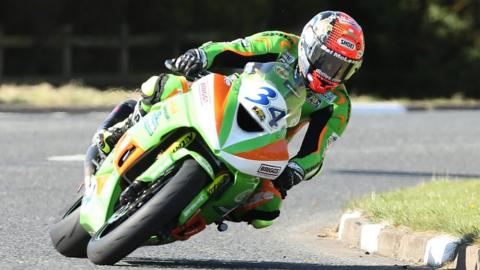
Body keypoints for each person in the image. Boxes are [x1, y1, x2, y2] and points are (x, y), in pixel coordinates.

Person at [93, 11, 365, 228]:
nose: (331, 74)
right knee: (162, 86)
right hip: (227, 101)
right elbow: (233, 49)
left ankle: (196, 211)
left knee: (266, 208)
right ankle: (120, 131)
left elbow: (315, 152)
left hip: (262, 145)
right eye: (327, 62)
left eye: (342, 68)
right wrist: (198, 56)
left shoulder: (337, 104)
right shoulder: (282, 43)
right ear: (309, 45)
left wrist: (295, 171)